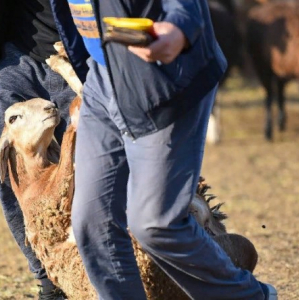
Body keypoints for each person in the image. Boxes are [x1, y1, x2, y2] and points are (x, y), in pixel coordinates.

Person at [67, 0, 278, 299]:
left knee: (155, 222)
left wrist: (180, 28)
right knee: (92, 220)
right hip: (102, 77)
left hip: (163, 77)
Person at [0, 1, 89, 299]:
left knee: (88, 169)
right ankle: (48, 278)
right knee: (3, 166)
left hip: (84, 57)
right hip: (20, 57)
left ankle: (91, 271)